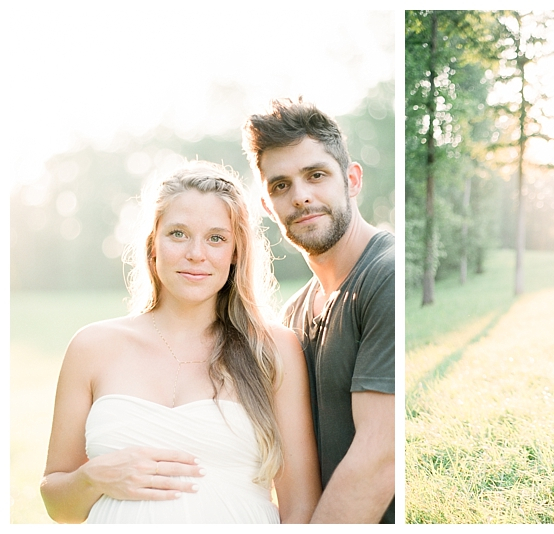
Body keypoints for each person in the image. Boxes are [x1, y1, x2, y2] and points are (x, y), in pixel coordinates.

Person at [40, 161, 321, 523]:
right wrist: (93, 477)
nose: (196, 254)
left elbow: (301, 508)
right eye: (178, 234)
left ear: (236, 253)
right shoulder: (92, 347)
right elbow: (57, 505)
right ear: (152, 244)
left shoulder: (273, 350)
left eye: (216, 238)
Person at [242, 97, 395, 524]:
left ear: (352, 179)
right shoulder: (291, 317)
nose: (301, 196)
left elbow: (380, 457)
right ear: (267, 205)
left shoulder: (386, 276)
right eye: (281, 185)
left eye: (316, 175)